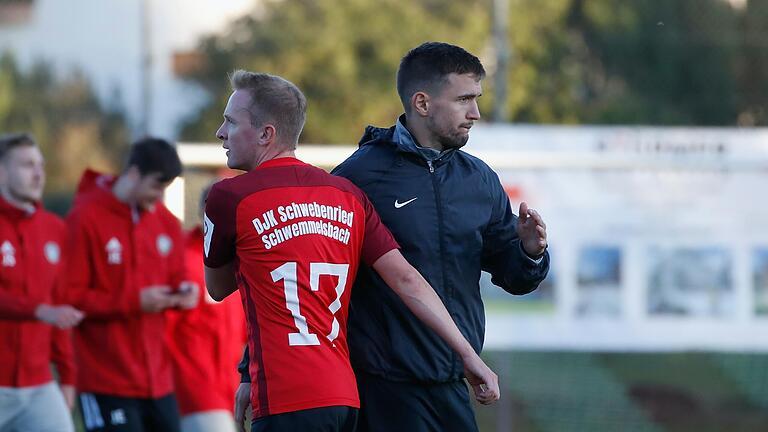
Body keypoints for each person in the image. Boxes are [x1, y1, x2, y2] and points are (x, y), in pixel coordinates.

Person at [236, 42, 551, 431]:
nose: (476, 113)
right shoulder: (359, 178)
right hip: (383, 389)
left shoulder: (479, 179)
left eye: (477, 99)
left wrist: (530, 252)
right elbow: (300, 275)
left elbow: (515, 277)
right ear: (421, 103)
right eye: (464, 99)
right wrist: (249, 371)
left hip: (453, 383)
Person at [64, 137, 199, 432]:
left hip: (158, 381)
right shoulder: (85, 218)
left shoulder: (165, 222)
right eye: (156, 186)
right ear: (134, 174)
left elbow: (177, 276)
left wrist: (185, 292)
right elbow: (70, 298)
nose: (160, 197)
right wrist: (134, 301)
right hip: (106, 380)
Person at [0, 133, 84, 432]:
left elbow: (60, 309)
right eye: (26, 165)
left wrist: (68, 378)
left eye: (41, 165)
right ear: (2, 171)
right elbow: (46, 310)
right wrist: (37, 310)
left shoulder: (54, 229)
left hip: (39, 386)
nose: (38, 173)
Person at [165, 182, 246, 432]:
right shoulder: (181, 261)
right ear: (203, 213)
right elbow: (160, 331)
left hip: (230, 389)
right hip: (195, 391)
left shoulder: (241, 265)